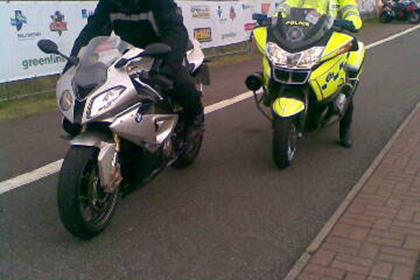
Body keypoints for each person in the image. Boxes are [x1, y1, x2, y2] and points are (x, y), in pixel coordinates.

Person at [66, 0, 204, 137]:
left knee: (178, 80)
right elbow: (91, 31)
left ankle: (196, 117)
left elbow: (175, 31)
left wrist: (168, 68)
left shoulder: (159, 2)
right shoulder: (108, 3)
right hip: (131, 52)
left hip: (164, 49)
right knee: (107, 81)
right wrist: (73, 62)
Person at [278, 0, 362, 148]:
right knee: (284, 65)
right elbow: (288, 5)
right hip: (303, 39)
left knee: (345, 84)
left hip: (330, 39)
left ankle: (345, 132)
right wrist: (276, 17)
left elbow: (350, 9)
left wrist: (352, 21)